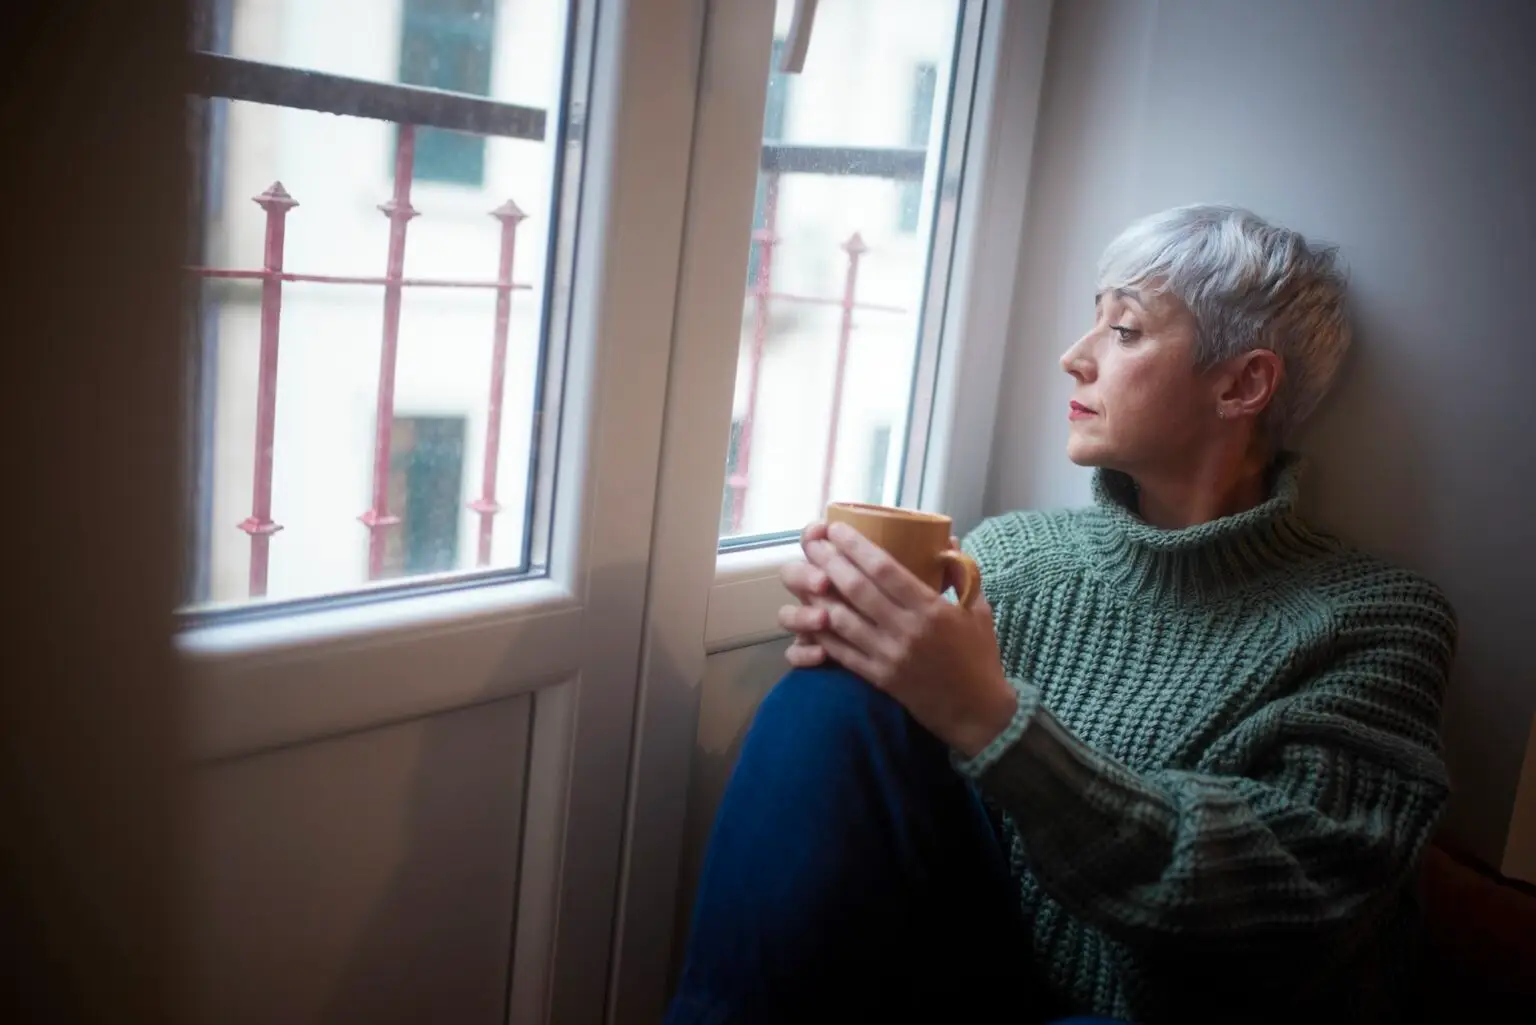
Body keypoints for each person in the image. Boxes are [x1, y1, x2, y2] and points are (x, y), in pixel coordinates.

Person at [665, 205, 1458, 1025]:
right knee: (832, 698)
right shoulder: (1013, 559)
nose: (1074, 358)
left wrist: (991, 718)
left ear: (1243, 383)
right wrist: (863, 635)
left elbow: (1291, 906)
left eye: (1124, 330)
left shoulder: (1377, 621)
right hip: (986, 974)